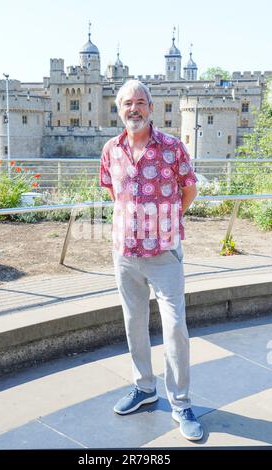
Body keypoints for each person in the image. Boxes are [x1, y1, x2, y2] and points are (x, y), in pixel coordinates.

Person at [99, 79, 203, 441]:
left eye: (140, 102)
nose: (134, 108)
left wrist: (168, 223)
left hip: (164, 254)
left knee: (175, 328)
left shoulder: (173, 148)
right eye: (127, 103)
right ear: (119, 109)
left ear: (151, 108)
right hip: (125, 255)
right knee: (134, 323)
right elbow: (114, 192)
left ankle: (181, 402)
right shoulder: (111, 149)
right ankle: (144, 389)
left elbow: (189, 188)